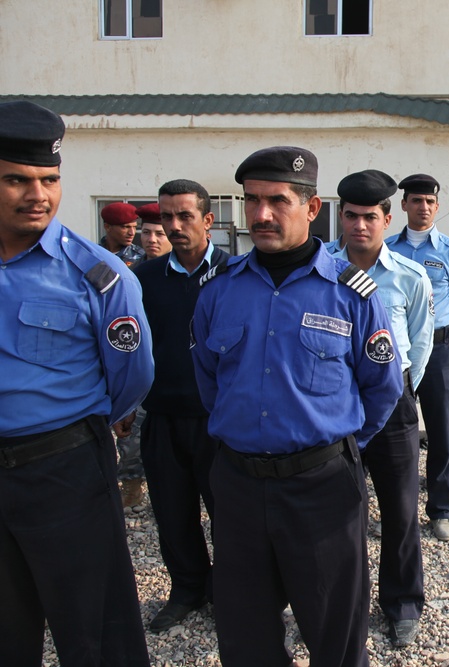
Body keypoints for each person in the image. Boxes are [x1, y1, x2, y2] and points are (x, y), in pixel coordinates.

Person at [191, 146, 403, 666]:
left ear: (312, 209)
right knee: (244, 634)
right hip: (239, 487)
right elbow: (209, 384)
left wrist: (339, 448)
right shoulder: (219, 292)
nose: (261, 215)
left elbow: (382, 387)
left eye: (277, 201)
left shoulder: (352, 294)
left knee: (334, 631)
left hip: (321, 490)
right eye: (252, 201)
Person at [0, 100, 154, 666]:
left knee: (94, 628)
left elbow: (132, 376)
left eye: (49, 179)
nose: (37, 194)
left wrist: (75, 431)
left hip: (63, 468)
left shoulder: (97, 274)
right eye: (16, 179)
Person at [328, 169, 434, 647]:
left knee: (400, 511)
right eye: (350, 215)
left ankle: (402, 601)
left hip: (393, 409)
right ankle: (339, 602)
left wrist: (400, 393)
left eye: (370, 216)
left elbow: (422, 346)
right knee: (335, 513)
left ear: (388, 219)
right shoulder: (319, 269)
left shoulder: (411, 279)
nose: (359, 226)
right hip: (334, 407)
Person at [133, 179, 230, 632]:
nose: (173, 226)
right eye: (166, 216)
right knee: (173, 514)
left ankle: (230, 593)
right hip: (164, 416)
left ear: (208, 220)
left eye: (184, 216)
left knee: (230, 514)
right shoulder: (143, 279)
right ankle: (188, 588)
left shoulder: (236, 274)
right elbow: (129, 348)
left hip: (221, 421)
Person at [386, 173, 449, 542]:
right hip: (398, 354)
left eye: (430, 202)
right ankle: (396, 511)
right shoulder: (387, 249)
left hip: (439, 351)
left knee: (443, 432)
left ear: (437, 207)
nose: (423, 207)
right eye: (416, 200)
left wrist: (442, 335)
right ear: (403, 205)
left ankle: (441, 510)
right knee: (395, 432)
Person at [113, 203, 169, 508]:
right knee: (132, 438)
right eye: (146, 232)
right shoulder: (125, 273)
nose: (151, 239)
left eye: (159, 233)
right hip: (139, 370)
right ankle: (132, 484)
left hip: (171, 371)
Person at [100, 200, 146, 267]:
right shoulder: (93, 253)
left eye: (134, 227)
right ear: (107, 227)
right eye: (126, 227)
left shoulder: (141, 257)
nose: (132, 233)